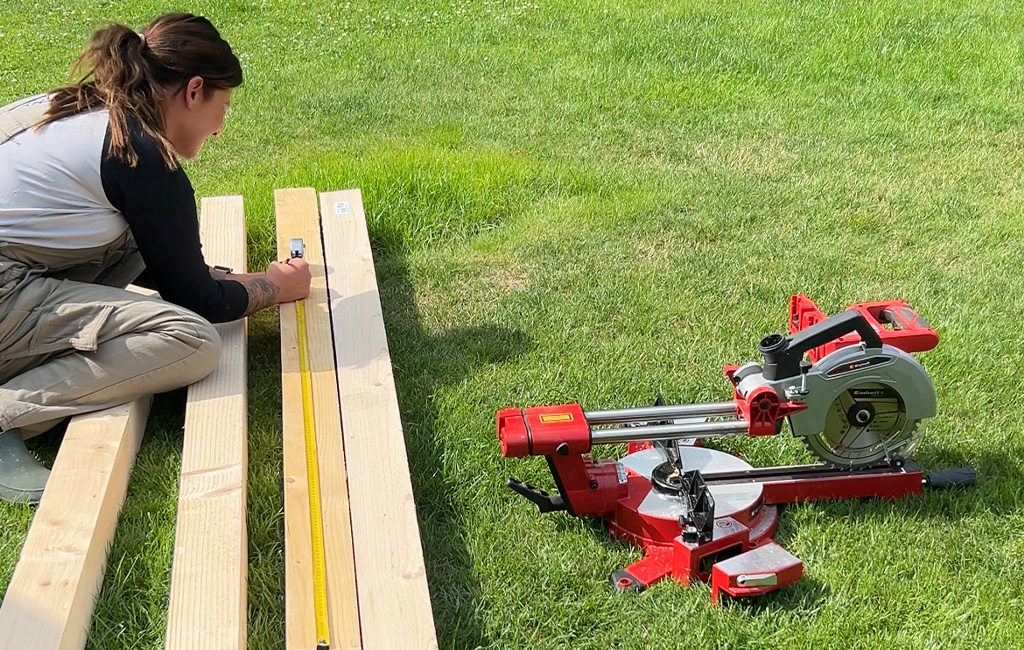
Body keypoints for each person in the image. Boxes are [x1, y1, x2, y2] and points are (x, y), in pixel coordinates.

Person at [0, 13, 311, 503]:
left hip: (14, 266)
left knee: (127, 236)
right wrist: (276, 289)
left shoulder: (83, 109)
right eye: (223, 106)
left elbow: (166, 260)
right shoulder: (139, 155)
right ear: (193, 91)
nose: (221, 127)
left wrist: (235, 279)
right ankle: (7, 413)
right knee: (189, 340)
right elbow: (200, 303)